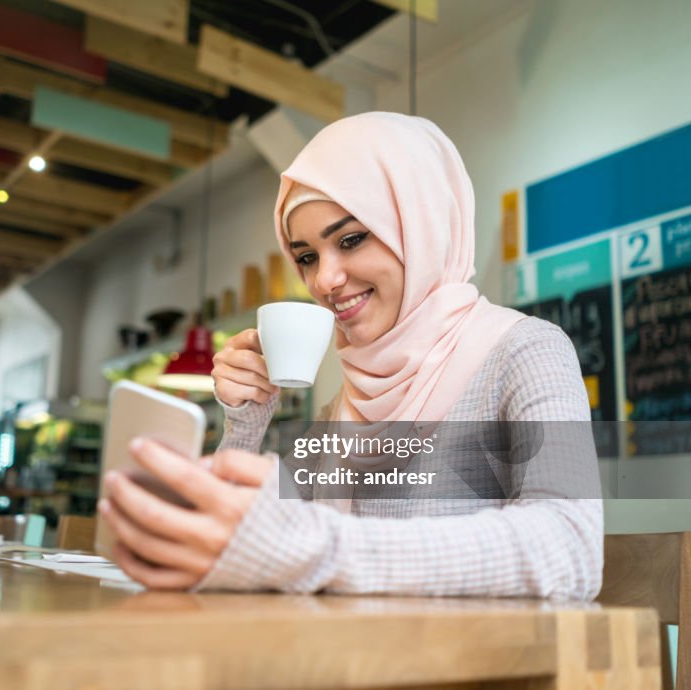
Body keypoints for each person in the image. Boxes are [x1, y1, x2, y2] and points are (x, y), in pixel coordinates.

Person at [98, 112, 603, 599]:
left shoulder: (526, 351)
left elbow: (571, 548)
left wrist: (323, 551)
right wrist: (247, 420)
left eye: (352, 239)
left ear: (420, 225)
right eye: (307, 257)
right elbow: (245, 545)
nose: (324, 280)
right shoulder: (344, 407)